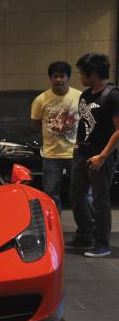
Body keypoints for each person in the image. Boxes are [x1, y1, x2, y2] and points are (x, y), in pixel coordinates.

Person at [68, 53, 119, 258]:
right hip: (83, 154)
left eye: (82, 73)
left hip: (101, 157)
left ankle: (102, 243)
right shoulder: (85, 95)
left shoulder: (112, 95)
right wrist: (78, 145)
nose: (80, 77)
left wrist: (103, 156)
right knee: (76, 195)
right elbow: (84, 124)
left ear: (94, 74)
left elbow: (118, 130)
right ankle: (85, 235)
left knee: (100, 200)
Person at [31, 61, 81, 212]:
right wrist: (53, 129)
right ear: (50, 78)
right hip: (51, 154)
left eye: (62, 76)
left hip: (75, 153)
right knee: (51, 195)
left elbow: (85, 122)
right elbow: (36, 122)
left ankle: (85, 229)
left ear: (68, 77)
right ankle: (54, 229)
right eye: (55, 76)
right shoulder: (41, 99)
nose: (59, 80)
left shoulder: (79, 96)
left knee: (80, 193)